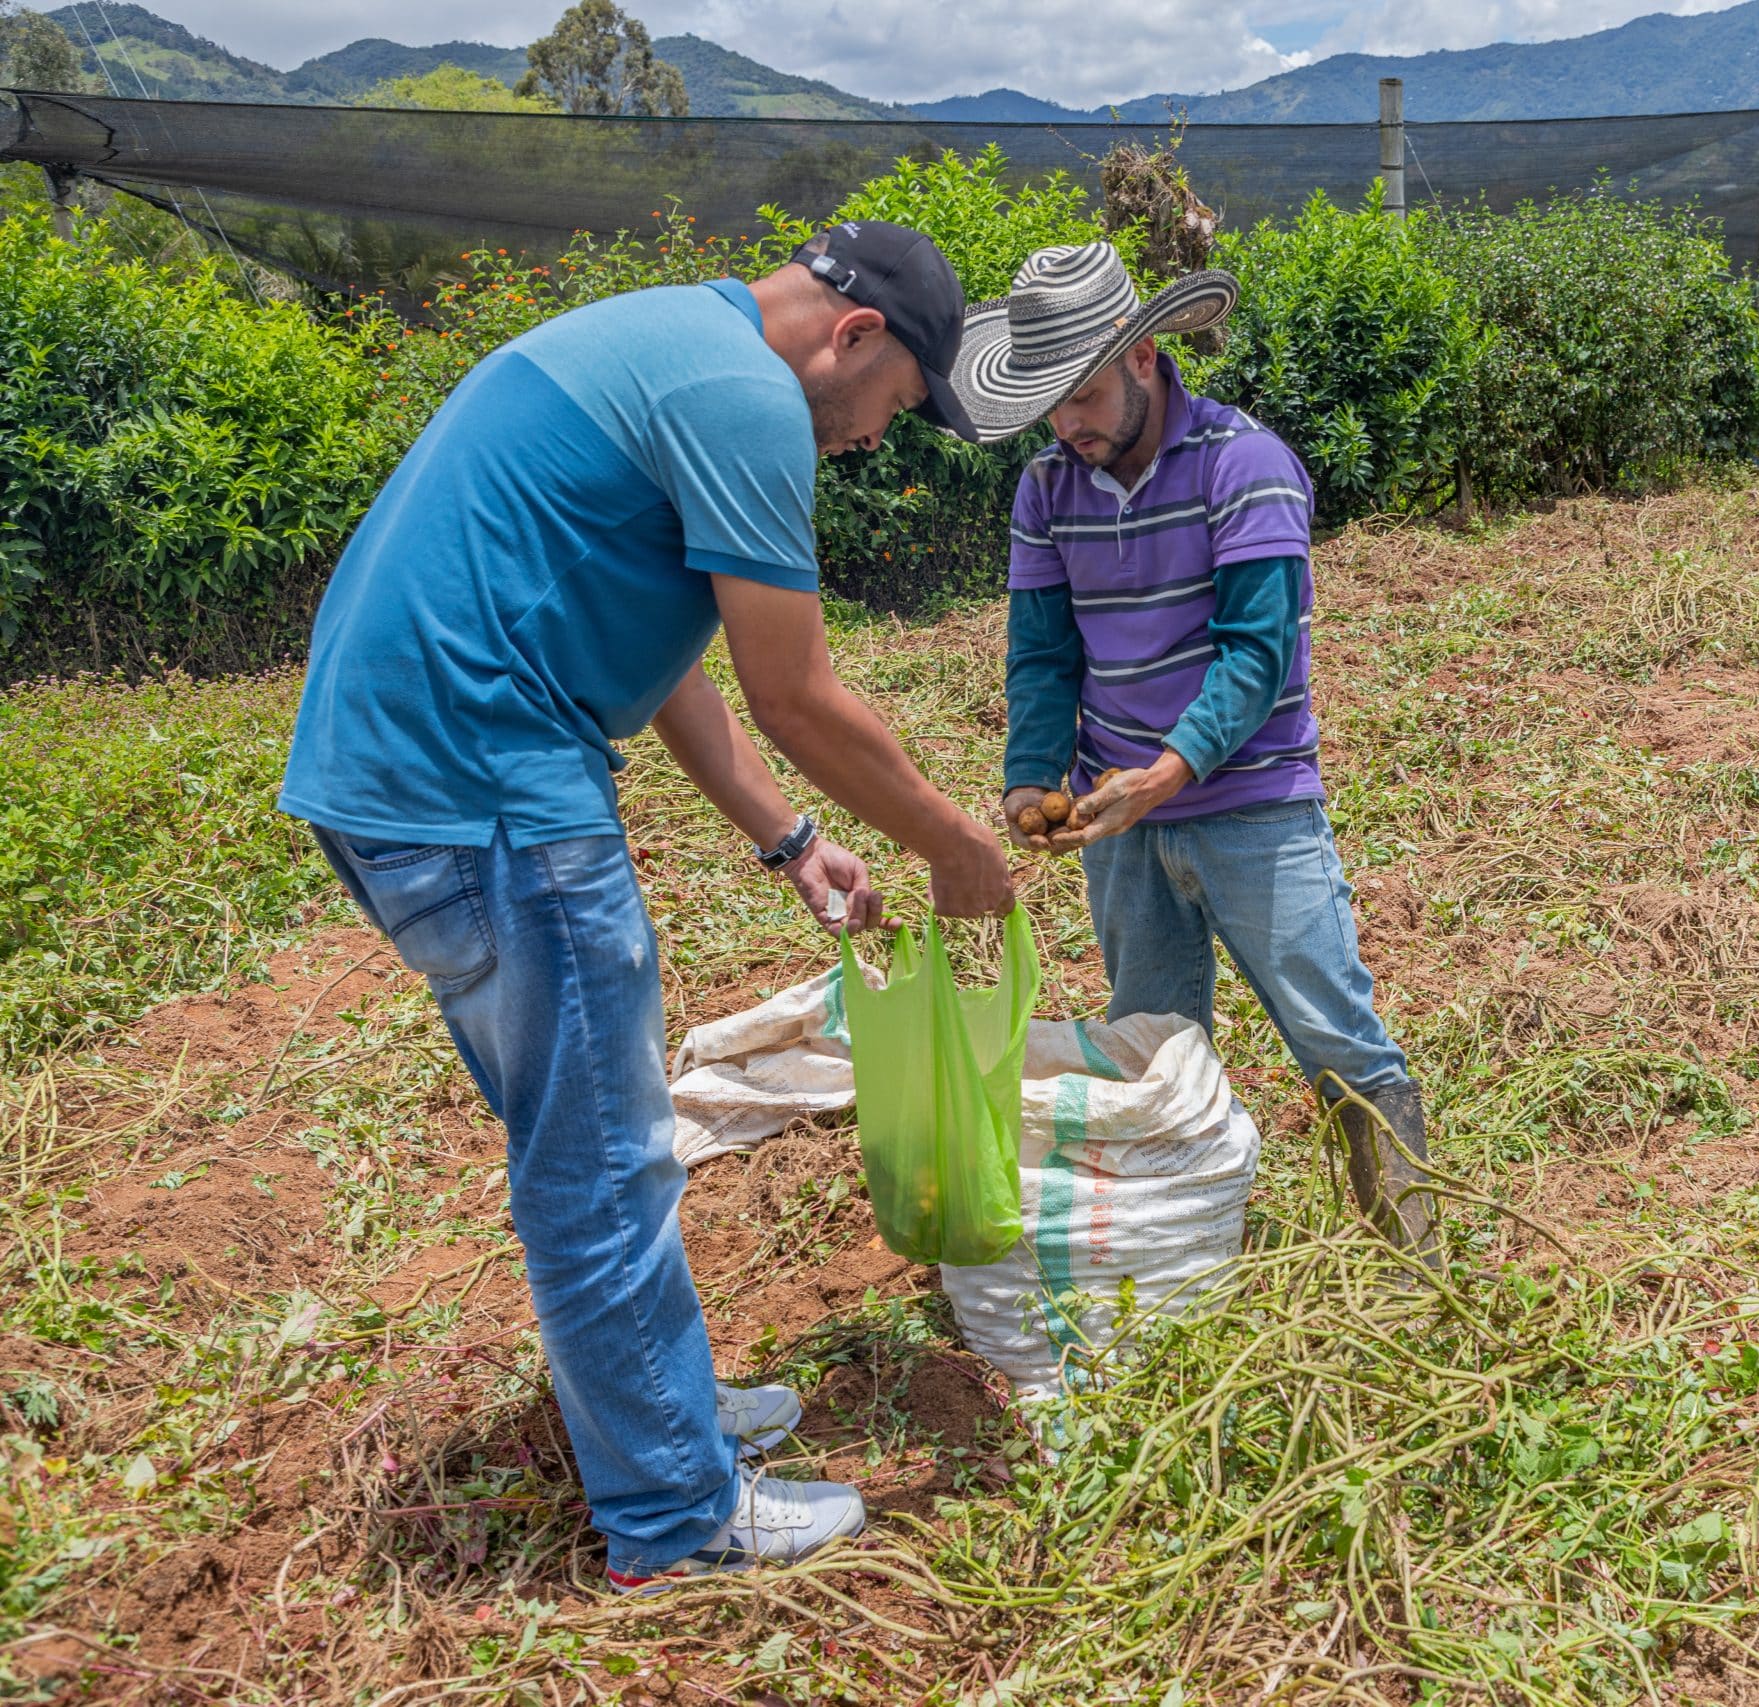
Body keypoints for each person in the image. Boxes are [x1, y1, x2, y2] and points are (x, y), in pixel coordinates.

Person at [275, 221, 1017, 1593]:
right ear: (855, 337)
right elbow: (793, 690)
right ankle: (674, 1511)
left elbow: (662, 654)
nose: (869, 443)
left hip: (395, 773)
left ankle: (660, 1410)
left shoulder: (675, 343)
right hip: (485, 779)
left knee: (595, 1139)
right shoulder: (748, 401)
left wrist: (792, 840)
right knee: (605, 1163)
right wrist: (953, 842)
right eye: (896, 407)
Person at [963, 242, 1439, 1259]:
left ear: (1142, 361)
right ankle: (1181, 1254)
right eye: (1050, 406)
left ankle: (1413, 1263)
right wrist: (1031, 779)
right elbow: (1042, 654)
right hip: (1117, 822)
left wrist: (1170, 773)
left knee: (1334, 1034)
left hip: (1252, 804)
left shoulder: (1244, 465)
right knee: (1153, 1047)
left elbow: (1258, 654)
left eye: (1083, 395)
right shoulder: (1048, 489)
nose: (1069, 425)